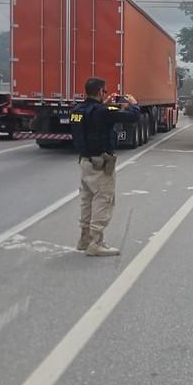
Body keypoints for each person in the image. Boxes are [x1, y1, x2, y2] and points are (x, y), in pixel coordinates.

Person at [69, 78, 140, 257]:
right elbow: (132, 117)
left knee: (87, 202)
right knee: (103, 201)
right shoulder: (102, 111)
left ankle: (84, 239)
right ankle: (96, 243)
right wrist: (134, 104)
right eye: (105, 92)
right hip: (100, 165)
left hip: (84, 162)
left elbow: (95, 119)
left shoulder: (77, 110)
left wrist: (108, 106)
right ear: (101, 92)